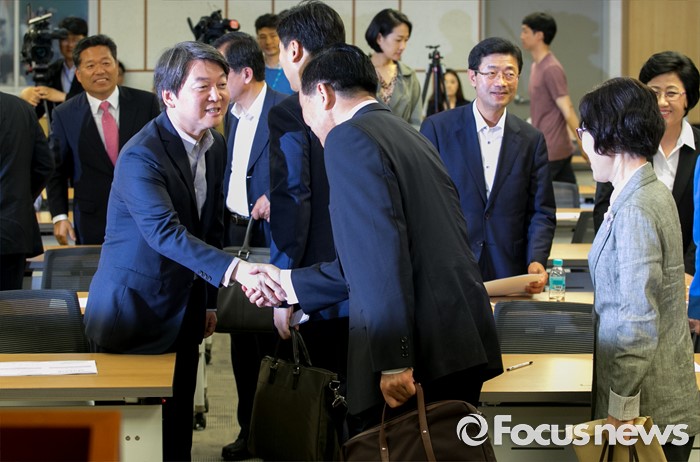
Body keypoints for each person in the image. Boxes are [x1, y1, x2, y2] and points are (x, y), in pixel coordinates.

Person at [248, 42, 503, 433]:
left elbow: (380, 258)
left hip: (419, 351)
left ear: (322, 94)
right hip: (458, 337)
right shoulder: (404, 132)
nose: (309, 125)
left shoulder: (348, 139)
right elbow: (378, 253)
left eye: (304, 109)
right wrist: (289, 284)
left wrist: (394, 359)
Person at [82, 41, 267, 462]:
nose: (217, 96)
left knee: (177, 424)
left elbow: (211, 227)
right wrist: (237, 271)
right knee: (125, 439)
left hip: (184, 309)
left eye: (221, 84)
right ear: (168, 95)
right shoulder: (141, 154)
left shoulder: (215, 145)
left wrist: (209, 302)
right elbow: (165, 232)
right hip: (131, 311)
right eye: (203, 86)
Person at [580, 77, 700, 462]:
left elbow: (635, 321)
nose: (583, 143)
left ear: (610, 137)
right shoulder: (644, 191)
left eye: (585, 131)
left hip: (646, 413)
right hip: (652, 402)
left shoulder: (636, 207)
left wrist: (619, 410)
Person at [266, 0, 351, 442]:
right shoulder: (364, 104)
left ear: (295, 49)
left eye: (282, 51)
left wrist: (284, 288)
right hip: (369, 282)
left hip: (317, 284)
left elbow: (293, 199)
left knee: (321, 406)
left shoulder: (291, 109)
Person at [420, 37, 555, 292]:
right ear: (473, 77)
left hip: (511, 270)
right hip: (450, 267)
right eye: (491, 73)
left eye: (509, 74)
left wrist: (537, 258)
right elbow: (422, 202)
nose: (501, 82)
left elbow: (542, 210)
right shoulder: (438, 129)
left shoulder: (532, 139)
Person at [212, 31, 286, 461]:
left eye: (222, 75)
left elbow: (309, 172)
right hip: (237, 236)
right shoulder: (232, 115)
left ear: (244, 73)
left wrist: (278, 196)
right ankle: (248, 430)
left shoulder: (284, 110)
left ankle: (278, 434)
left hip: (273, 237)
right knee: (241, 340)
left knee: (275, 342)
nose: (216, 86)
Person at [46, 34, 160, 245]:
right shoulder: (64, 114)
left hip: (146, 214)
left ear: (116, 66)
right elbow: (57, 170)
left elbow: (163, 157)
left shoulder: (147, 103)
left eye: (106, 63)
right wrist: (60, 216)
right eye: (90, 65)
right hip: (92, 218)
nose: (100, 71)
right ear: (78, 74)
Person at [595, 52, 700, 277]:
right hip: (631, 268)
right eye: (654, 92)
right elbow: (604, 210)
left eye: (671, 93)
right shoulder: (625, 145)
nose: (662, 102)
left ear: (688, 98)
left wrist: (688, 272)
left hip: (690, 275)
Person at [520, 12, 582, 185]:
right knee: (567, 190)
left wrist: (582, 141)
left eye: (525, 31)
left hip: (552, 149)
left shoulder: (551, 68)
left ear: (539, 35)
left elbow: (567, 108)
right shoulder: (536, 66)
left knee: (537, 194)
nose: (521, 36)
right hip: (546, 145)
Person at [0, 92, 54, 290]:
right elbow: (45, 165)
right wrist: (19, 198)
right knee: (9, 305)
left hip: (12, 230)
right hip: (12, 229)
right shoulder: (20, 108)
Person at [20, 16, 87, 121]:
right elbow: (36, 114)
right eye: (65, 39)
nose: (70, 45)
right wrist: (26, 97)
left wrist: (62, 97)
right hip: (56, 131)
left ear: (84, 41)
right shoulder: (51, 71)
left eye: (75, 40)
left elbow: (95, 102)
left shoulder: (92, 70)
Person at [365, 9, 421, 128]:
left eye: (406, 40)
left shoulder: (409, 76)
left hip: (403, 139)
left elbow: (416, 122)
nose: (403, 46)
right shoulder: (359, 72)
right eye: (398, 40)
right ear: (379, 38)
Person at [254, 13, 293, 95]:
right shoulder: (253, 68)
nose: (268, 42)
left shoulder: (293, 67)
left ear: (282, 37)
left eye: (273, 36)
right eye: (263, 37)